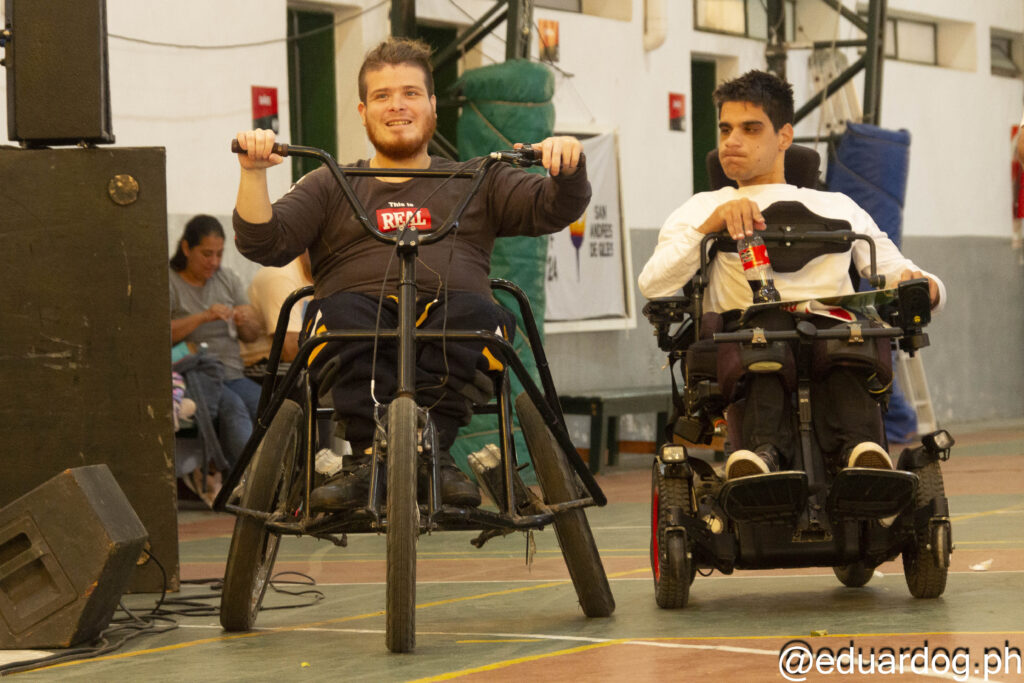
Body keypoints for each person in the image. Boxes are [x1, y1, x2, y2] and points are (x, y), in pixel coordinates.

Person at [232, 37, 590, 511]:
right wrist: (253, 171)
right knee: (344, 313)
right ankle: (368, 455)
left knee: (479, 313)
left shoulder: (478, 178)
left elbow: (554, 207)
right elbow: (263, 242)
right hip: (352, 325)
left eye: (410, 93)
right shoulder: (329, 182)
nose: (396, 106)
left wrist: (568, 164)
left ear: (432, 106)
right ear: (363, 111)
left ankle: (433, 451)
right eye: (382, 96)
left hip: (458, 323)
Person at [638, 70, 946, 480]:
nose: (732, 141)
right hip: (748, 340)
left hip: (836, 337)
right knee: (766, 330)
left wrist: (927, 287)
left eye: (750, 129)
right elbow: (653, 283)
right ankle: (763, 454)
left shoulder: (839, 207)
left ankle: (861, 453)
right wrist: (710, 226)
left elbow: (896, 272)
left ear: (784, 137)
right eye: (726, 129)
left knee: (845, 333)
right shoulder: (700, 209)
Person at [169, 214, 264, 421]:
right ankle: (243, 455)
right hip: (193, 376)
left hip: (234, 375)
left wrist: (246, 320)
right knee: (234, 410)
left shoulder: (227, 278)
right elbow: (159, 335)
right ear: (186, 249)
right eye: (207, 254)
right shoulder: (169, 281)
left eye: (219, 254)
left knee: (271, 408)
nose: (214, 262)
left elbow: (252, 335)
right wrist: (203, 317)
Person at [240, 252, 314, 365]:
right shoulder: (281, 275)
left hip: (293, 365)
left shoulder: (321, 275)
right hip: (265, 366)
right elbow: (290, 349)